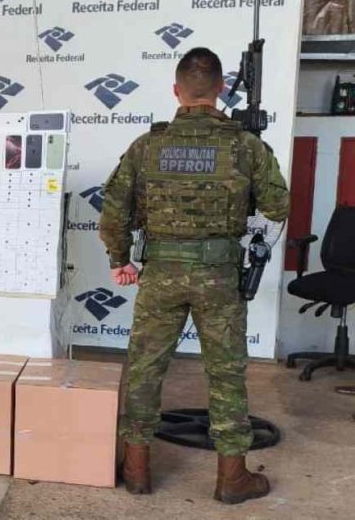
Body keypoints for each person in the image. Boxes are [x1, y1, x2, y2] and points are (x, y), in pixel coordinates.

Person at [99, 47, 290, 505]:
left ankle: (137, 470)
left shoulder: (147, 146)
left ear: (176, 91)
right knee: (226, 375)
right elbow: (277, 205)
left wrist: (120, 259)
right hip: (219, 276)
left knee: (145, 369)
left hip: (160, 273)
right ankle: (232, 479)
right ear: (221, 89)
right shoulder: (246, 146)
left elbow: (113, 212)